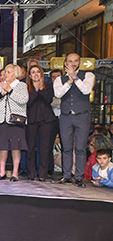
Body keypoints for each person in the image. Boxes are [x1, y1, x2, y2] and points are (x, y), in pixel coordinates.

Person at [54, 53, 95, 187]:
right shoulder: (59, 79)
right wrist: (69, 82)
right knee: (66, 147)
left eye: (75, 61)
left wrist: (75, 78)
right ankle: (66, 175)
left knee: (80, 148)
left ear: (79, 62)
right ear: (65, 63)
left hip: (82, 115)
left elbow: (86, 90)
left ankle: (79, 177)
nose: (73, 63)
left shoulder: (88, 75)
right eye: (70, 61)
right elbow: (58, 93)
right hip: (66, 116)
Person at [0, 64, 29, 181]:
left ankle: (15, 173)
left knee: (16, 147)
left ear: (15, 74)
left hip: (15, 121)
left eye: (9, 72)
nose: (6, 74)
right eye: (5, 72)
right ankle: (2, 172)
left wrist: (10, 91)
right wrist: (1, 94)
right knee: (2, 147)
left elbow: (24, 100)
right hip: (0, 120)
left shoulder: (21, 86)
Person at [25, 65, 57, 181]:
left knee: (44, 147)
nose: (36, 74)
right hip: (31, 119)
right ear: (30, 75)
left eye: (38, 72)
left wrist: (41, 88)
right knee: (30, 147)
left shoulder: (48, 86)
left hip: (46, 120)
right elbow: (28, 102)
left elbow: (48, 100)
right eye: (33, 72)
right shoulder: (26, 88)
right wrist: (36, 90)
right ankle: (31, 173)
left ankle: (42, 174)